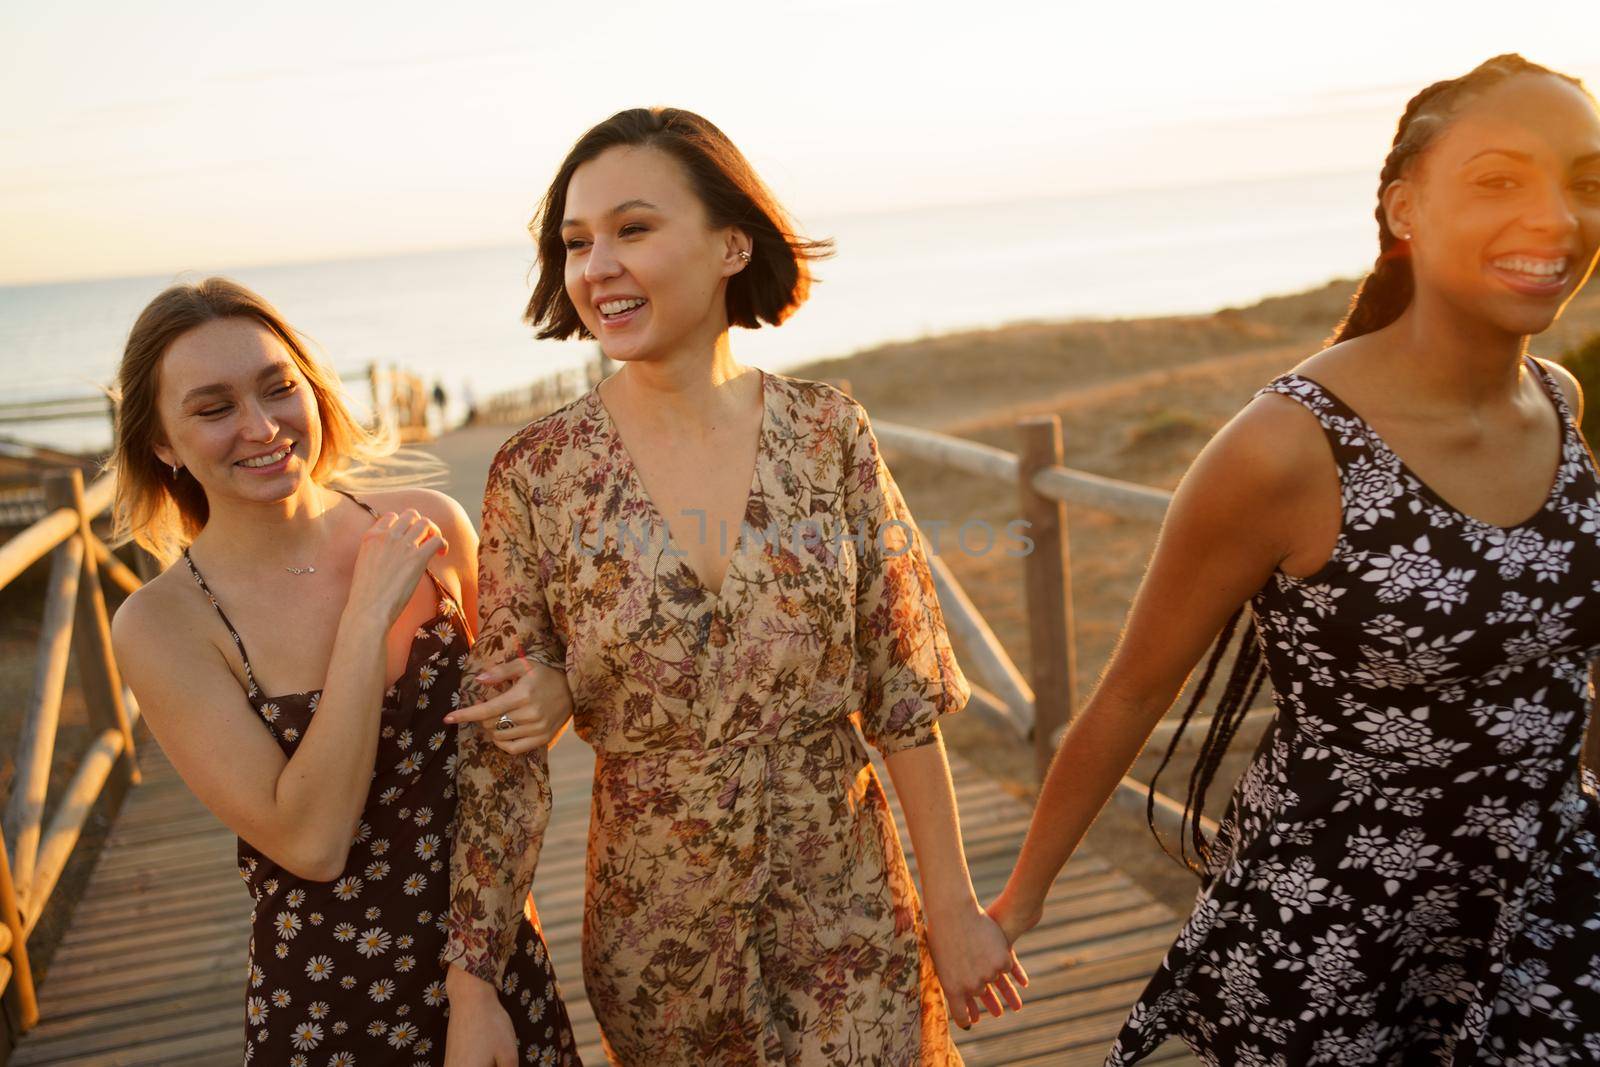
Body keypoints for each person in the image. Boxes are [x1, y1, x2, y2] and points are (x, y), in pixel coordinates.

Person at [989, 54, 1600, 1064]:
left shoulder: (1559, 400)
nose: (1556, 217)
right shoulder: (1285, 444)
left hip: (1541, 897)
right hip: (1339, 936)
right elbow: (1133, 690)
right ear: (1406, 207)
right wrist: (1015, 903)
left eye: (1583, 182)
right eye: (1498, 179)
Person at [440, 107, 1026, 1066]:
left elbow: (903, 692)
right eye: (577, 242)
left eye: (633, 228)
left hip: (851, 909)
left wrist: (953, 908)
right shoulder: (538, 475)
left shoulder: (829, 434)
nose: (596, 268)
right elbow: (501, 757)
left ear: (730, 243)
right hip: (660, 941)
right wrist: (474, 984)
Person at [107, 278, 580, 1065]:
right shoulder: (164, 623)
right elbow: (312, 840)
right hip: (332, 1007)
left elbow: (504, 758)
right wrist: (365, 619)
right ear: (161, 442)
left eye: (278, 387)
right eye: (214, 407)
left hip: (494, 964)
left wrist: (553, 690)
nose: (262, 426)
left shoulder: (433, 525)